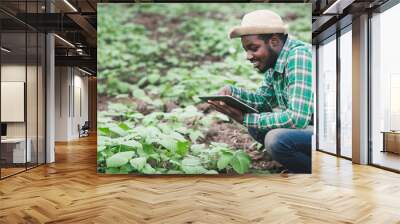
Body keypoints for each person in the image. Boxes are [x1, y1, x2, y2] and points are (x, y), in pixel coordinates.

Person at [209, 9, 313, 173]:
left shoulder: (299, 56)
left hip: (336, 136)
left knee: (276, 139)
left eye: (253, 48)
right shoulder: (276, 61)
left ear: (273, 41)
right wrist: (233, 93)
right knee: (257, 126)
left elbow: (297, 118)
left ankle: (316, 174)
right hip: (313, 129)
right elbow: (263, 101)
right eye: (246, 50)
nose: (248, 56)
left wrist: (245, 118)